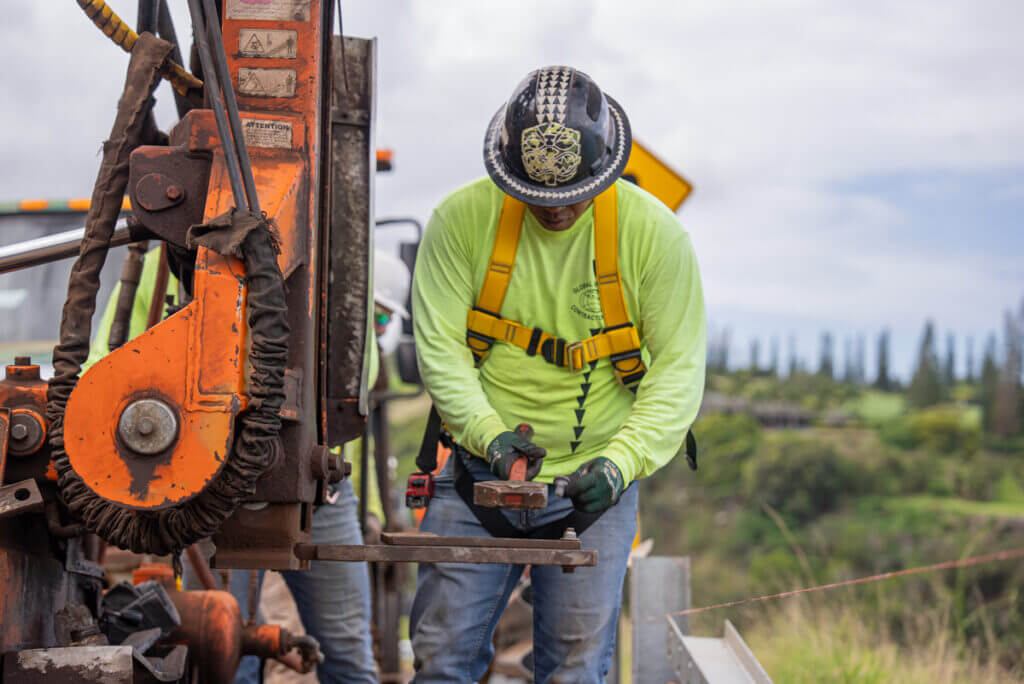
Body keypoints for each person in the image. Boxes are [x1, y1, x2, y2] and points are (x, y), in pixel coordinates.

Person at [409, 66, 706, 682]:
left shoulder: (655, 238)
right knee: (441, 660)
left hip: (596, 485)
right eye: (538, 198)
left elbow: (677, 374)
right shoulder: (459, 223)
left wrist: (620, 464)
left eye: (573, 196)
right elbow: (440, 351)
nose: (557, 212)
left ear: (605, 171)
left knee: (575, 669)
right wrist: (489, 438)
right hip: (474, 476)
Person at [87, 246, 411, 684]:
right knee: (218, 646)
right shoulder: (167, 263)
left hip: (316, 488)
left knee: (347, 652)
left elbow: (356, 377)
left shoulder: (330, 254)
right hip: (205, 486)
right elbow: (106, 364)